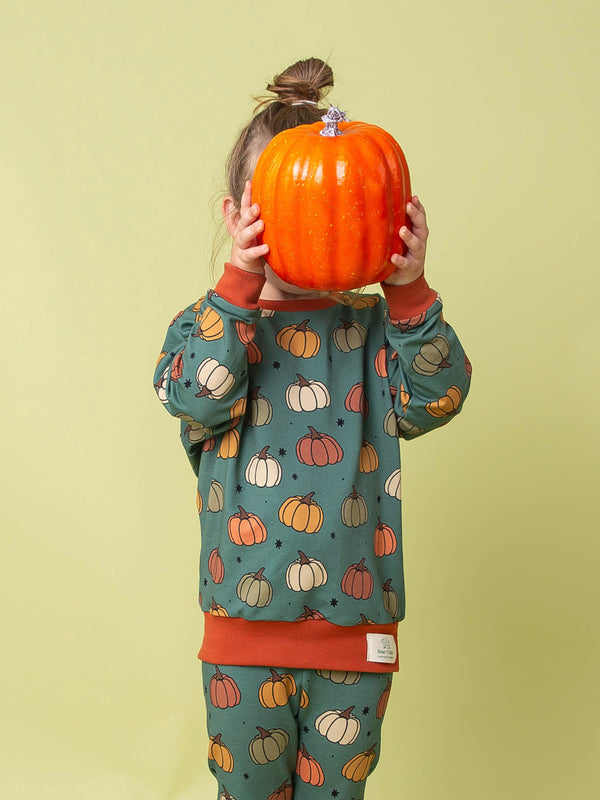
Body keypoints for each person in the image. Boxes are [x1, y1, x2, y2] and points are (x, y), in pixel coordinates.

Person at [153, 57, 471, 800]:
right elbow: (194, 397)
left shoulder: (373, 333)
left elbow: (438, 396)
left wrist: (409, 290)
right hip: (242, 634)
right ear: (237, 218)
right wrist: (235, 291)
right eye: (279, 202)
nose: (307, 219)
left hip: (355, 634)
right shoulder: (210, 330)